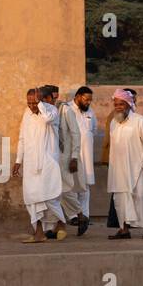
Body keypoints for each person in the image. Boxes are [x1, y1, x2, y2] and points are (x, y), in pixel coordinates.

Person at [12, 87, 67, 243]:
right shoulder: (26, 113)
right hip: (30, 164)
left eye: (34, 102)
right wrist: (18, 161)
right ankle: (38, 233)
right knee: (31, 198)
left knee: (49, 197)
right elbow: (22, 138)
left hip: (47, 163)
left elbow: (47, 119)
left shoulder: (51, 111)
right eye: (29, 103)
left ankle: (61, 223)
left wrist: (40, 105)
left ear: (41, 100)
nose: (31, 106)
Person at [103, 88, 143, 239]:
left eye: (121, 104)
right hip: (119, 170)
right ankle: (124, 229)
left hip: (138, 167)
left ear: (128, 104)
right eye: (116, 104)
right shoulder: (114, 122)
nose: (118, 107)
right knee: (120, 199)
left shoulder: (140, 121)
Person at [58, 85, 97, 235]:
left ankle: (85, 216)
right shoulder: (66, 109)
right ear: (78, 97)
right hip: (70, 156)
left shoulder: (90, 113)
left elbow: (92, 130)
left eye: (90, 100)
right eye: (86, 99)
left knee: (85, 187)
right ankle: (74, 215)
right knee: (68, 186)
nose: (88, 102)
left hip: (86, 157)